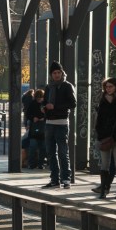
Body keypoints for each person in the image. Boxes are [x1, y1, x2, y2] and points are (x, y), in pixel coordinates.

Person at [43, 61, 77, 189]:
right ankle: (54, 179)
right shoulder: (48, 87)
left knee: (63, 152)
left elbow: (73, 103)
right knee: (51, 153)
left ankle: (66, 179)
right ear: (51, 75)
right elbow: (45, 102)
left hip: (62, 123)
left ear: (62, 73)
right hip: (49, 123)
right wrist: (43, 107)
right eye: (54, 73)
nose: (57, 75)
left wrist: (55, 106)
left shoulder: (67, 86)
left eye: (58, 72)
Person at [94, 77, 116, 199]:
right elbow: (99, 121)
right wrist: (100, 134)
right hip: (104, 137)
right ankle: (103, 190)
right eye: (106, 87)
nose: (108, 89)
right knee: (104, 165)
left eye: (110, 86)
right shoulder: (102, 101)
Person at [25, 89, 47, 169]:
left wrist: (43, 118)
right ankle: (32, 164)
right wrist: (33, 118)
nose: (39, 99)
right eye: (37, 98)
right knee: (34, 147)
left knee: (42, 147)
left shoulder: (45, 104)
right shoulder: (33, 104)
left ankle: (40, 164)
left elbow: (50, 114)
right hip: (36, 128)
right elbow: (28, 114)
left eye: (40, 97)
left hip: (41, 128)